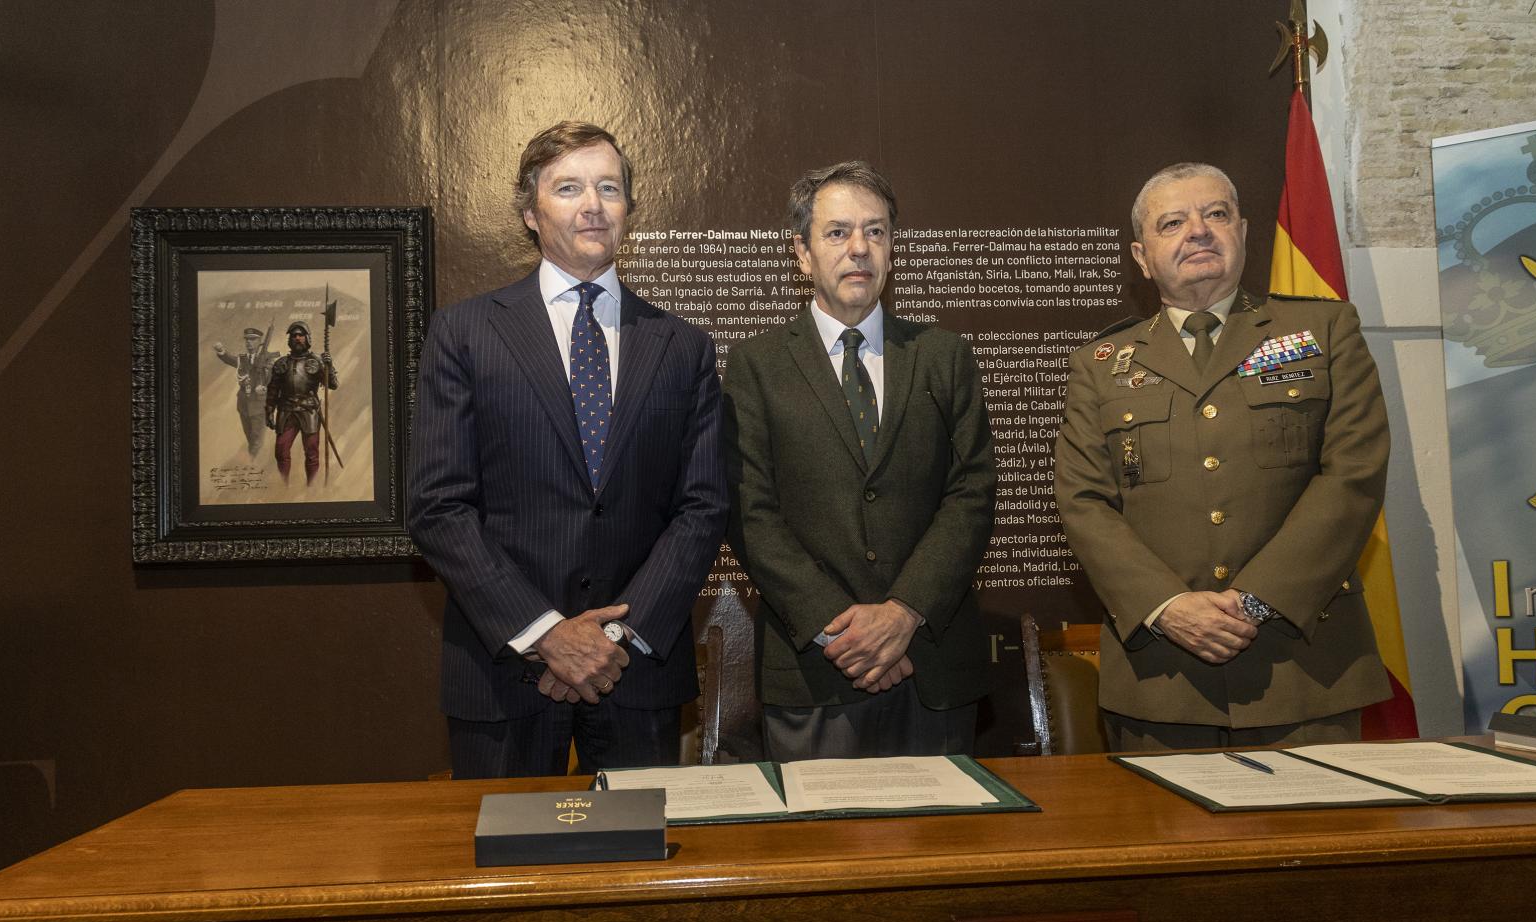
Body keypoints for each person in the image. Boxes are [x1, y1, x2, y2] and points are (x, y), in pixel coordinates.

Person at [407, 121, 726, 779]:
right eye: (569, 187)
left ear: (628, 211)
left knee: (639, 872)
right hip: (503, 674)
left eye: (609, 188)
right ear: (530, 212)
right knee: (508, 875)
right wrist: (547, 634)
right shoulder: (464, 334)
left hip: (635, 674)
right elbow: (438, 507)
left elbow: (702, 508)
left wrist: (610, 641)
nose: (593, 204)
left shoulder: (683, 348)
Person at [1054, 162, 1392, 751]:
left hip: (1304, 672)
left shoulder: (1324, 329)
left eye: (1215, 214)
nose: (1199, 231)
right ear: (1142, 255)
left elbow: (1354, 476)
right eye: (1173, 222)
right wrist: (1169, 607)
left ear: (1243, 230)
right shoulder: (1100, 363)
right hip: (1161, 679)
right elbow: (1084, 502)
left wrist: (1258, 600)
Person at [722, 160, 996, 761]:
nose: (859, 249)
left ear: (893, 249)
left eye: (875, 232)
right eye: (838, 232)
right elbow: (750, 513)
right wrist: (841, 628)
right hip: (815, 671)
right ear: (802, 252)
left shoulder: (943, 356)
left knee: (942, 847)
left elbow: (972, 494)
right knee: (819, 848)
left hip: (932, 665)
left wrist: (903, 614)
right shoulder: (756, 367)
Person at [265, 321, 336, 484]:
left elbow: (332, 384)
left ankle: (310, 487)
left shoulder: (316, 361)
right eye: (294, 335)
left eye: (301, 335)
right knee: (281, 450)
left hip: (309, 411)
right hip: (286, 411)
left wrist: (329, 366)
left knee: (311, 452)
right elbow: (273, 390)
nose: (297, 338)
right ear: (289, 339)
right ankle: (285, 487)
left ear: (307, 338)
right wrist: (269, 411)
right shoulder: (281, 363)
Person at [211, 326, 275, 455]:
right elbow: (230, 360)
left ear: (260, 341)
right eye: (247, 340)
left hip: (259, 406)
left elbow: (270, 375)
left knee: (257, 441)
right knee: (251, 439)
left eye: (252, 340)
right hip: (244, 405)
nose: (249, 343)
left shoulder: (268, 359)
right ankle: (253, 463)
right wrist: (221, 351)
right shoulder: (242, 359)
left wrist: (263, 386)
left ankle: (254, 465)